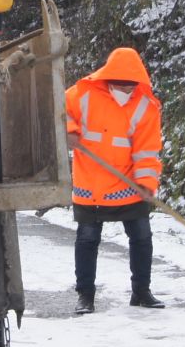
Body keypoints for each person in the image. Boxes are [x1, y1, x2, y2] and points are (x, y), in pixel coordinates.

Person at [64, 47, 165, 314]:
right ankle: (85, 296)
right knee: (87, 239)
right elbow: (60, 109)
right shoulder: (83, 93)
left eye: (130, 85)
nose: (126, 89)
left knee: (141, 236)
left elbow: (147, 150)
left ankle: (141, 292)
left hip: (128, 186)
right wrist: (70, 131)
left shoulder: (145, 106)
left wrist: (146, 182)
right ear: (109, 78)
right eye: (121, 84)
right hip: (91, 184)